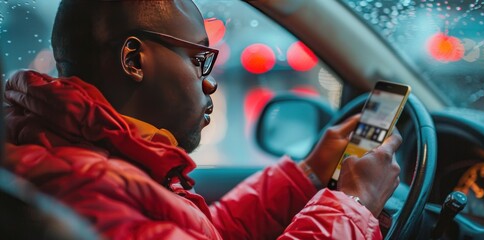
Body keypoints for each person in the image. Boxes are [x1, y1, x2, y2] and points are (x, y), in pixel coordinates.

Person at [3, 0, 401, 239]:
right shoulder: (82, 187)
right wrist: (354, 202)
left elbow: (203, 232)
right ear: (134, 60)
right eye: (198, 60)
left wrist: (310, 172)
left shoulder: (89, 153)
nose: (209, 84)